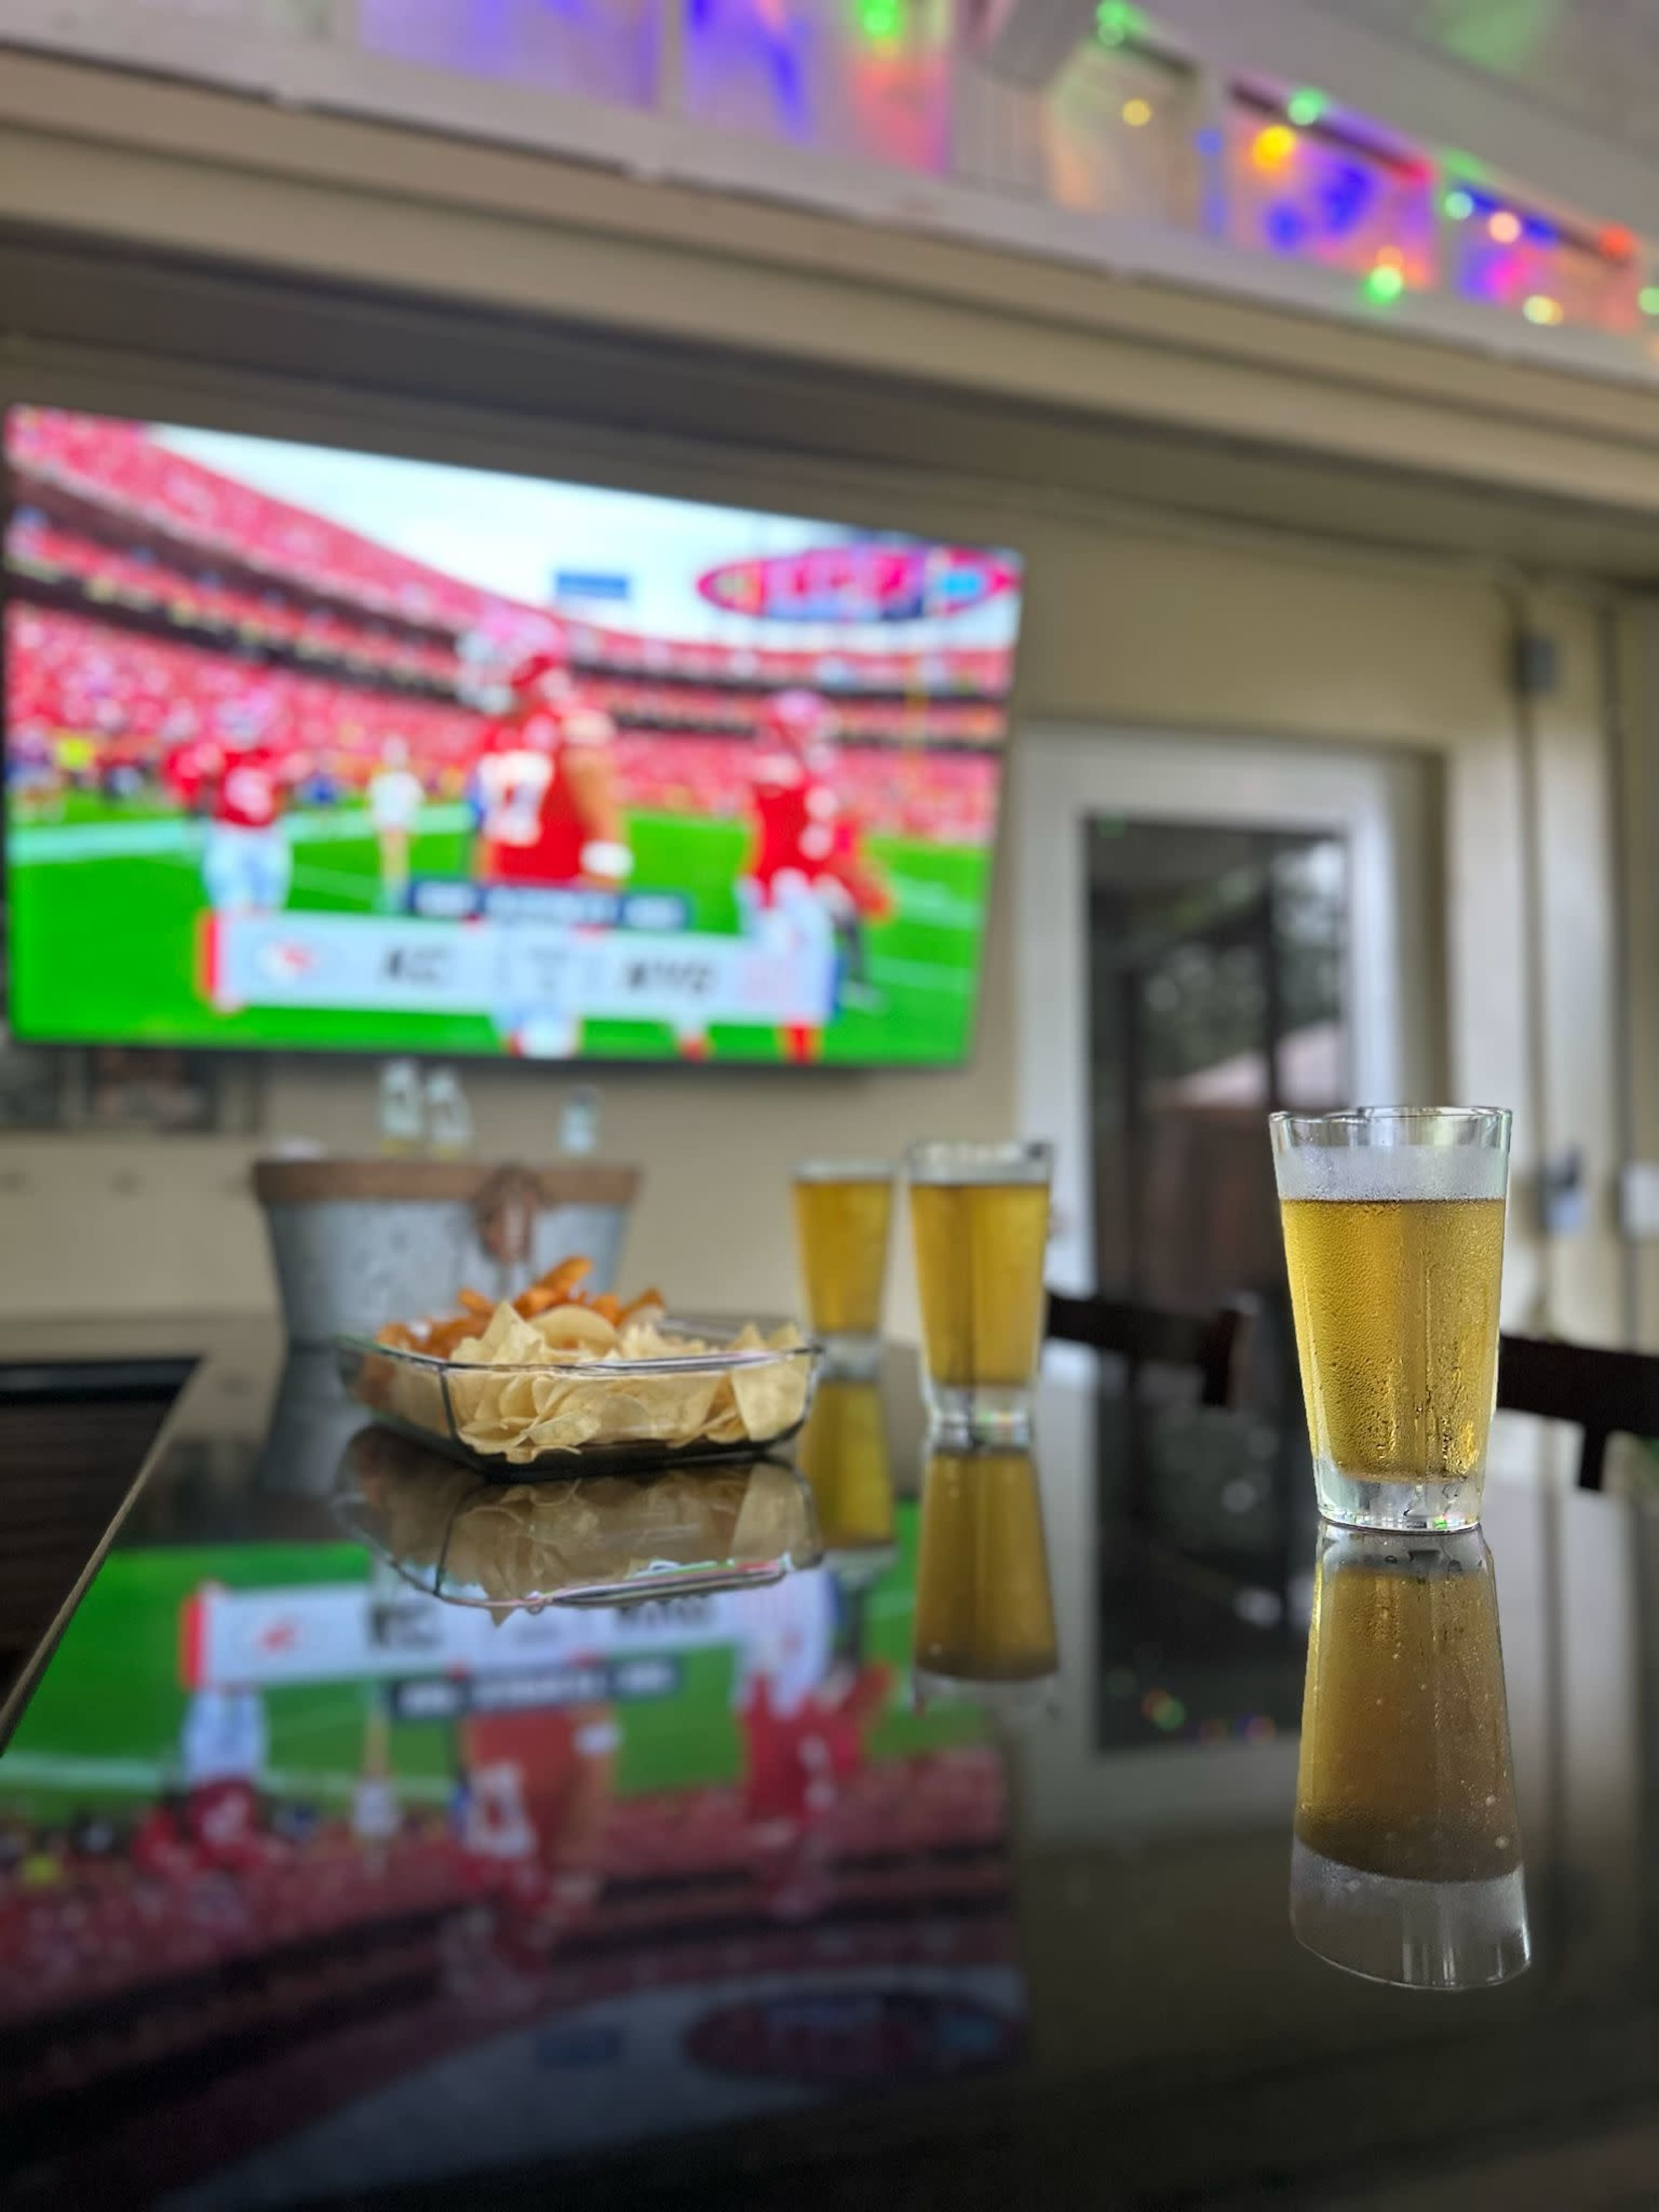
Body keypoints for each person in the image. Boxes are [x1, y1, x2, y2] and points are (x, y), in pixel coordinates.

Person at [470, 646, 632, 1058]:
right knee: (508, 1015)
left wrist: (600, 905)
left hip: (558, 897)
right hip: (506, 891)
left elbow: (606, 826)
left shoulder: (573, 729)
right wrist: (478, 896)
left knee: (551, 1028)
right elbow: (489, 829)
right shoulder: (501, 734)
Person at [167, 692, 301, 917]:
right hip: (231, 834)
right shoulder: (219, 756)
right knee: (233, 909)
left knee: (269, 908)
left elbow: (284, 795)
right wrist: (197, 816)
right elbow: (193, 790)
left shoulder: (271, 756)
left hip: (267, 835)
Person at [367, 735, 425, 911]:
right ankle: (393, 894)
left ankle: (396, 894)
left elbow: (414, 805)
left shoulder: (401, 782)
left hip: (397, 825)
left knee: (396, 861)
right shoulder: (386, 781)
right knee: (392, 861)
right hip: (392, 825)